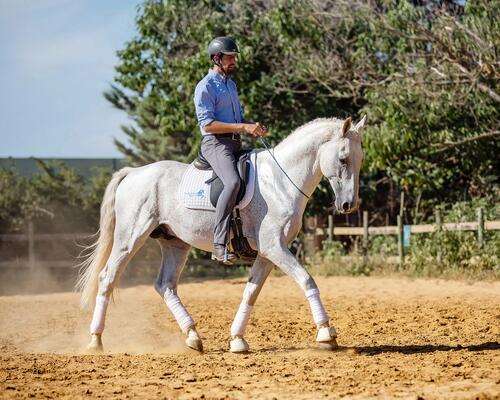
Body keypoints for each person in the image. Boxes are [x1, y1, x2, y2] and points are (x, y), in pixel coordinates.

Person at [193, 36, 266, 264]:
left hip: (235, 143)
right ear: (217, 58)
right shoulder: (205, 86)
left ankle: (243, 239)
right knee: (233, 183)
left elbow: (238, 118)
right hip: (215, 144)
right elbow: (207, 124)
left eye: (234, 57)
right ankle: (219, 243)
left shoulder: (231, 85)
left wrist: (251, 125)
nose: (234, 60)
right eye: (230, 57)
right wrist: (243, 126)